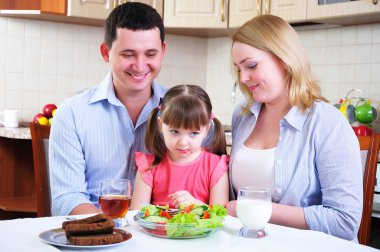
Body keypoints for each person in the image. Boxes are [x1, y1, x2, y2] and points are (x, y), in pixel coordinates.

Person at [227, 15, 362, 241]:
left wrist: (255, 209)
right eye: (238, 68)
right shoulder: (243, 115)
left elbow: (344, 221)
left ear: (285, 59)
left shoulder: (327, 122)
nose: (243, 78)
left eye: (251, 65)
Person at [49, 2, 167, 216]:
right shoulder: (72, 115)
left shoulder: (186, 111)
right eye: (128, 54)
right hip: (98, 236)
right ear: (106, 52)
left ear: (163, 51)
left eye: (150, 54)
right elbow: (67, 198)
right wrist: (113, 229)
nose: (140, 66)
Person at [130, 85, 229, 210]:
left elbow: (220, 217)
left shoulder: (216, 167)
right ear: (161, 125)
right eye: (175, 132)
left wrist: (197, 207)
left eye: (194, 133)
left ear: (206, 130)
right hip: (156, 229)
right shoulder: (148, 166)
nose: (183, 142)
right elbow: (136, 214)